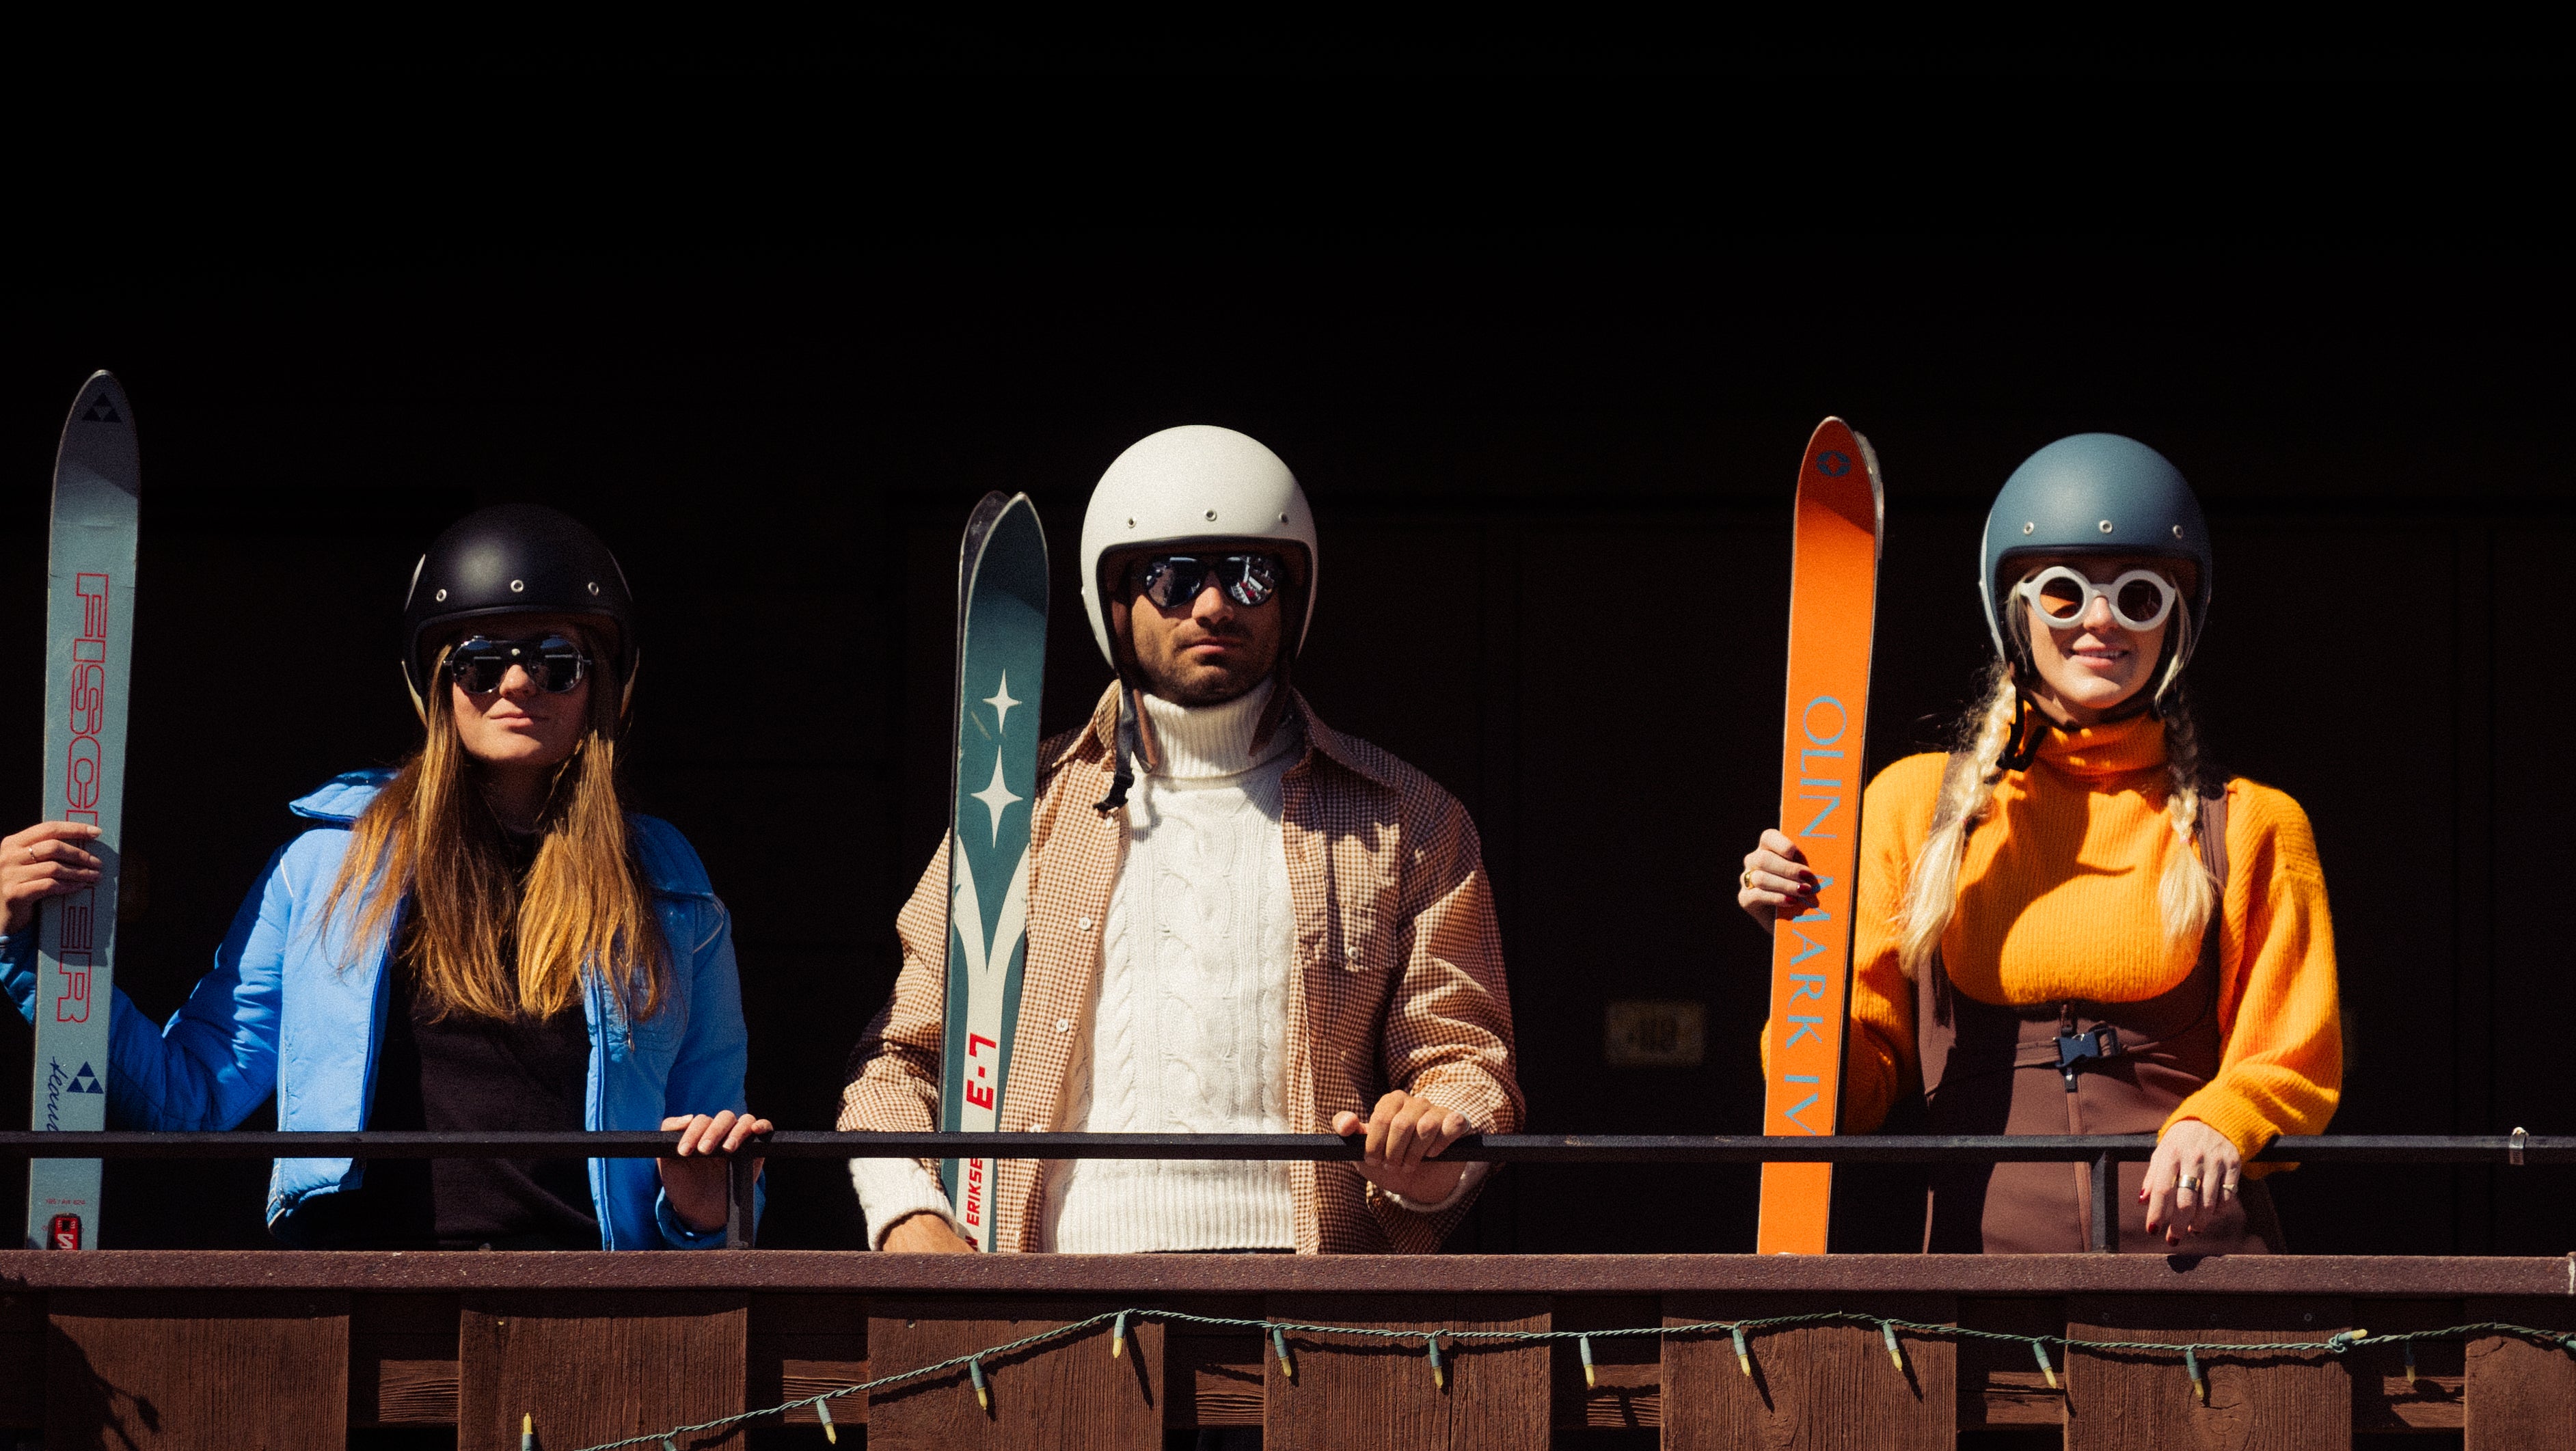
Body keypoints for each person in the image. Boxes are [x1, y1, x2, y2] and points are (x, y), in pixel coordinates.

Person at [2, 504, 766, 1247]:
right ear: (436, 682)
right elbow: (189, 1096)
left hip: (590, 1303)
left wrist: (704, 1208)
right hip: (364, 1293)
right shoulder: (327, 868)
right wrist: (29, 949)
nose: (516, 684)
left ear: (603, 684)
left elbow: (724, 1172)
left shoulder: (672, 895)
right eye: (479, 662)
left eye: (555, 662)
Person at [841, 423, 1521, 1253]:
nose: (1213, 605)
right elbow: (901, 1061)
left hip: (1307, 1295)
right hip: (1053, 1287)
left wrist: (1431, 1151)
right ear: (1114, 602)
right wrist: (908, 1216)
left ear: (1293, 595)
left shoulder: (1404, 818)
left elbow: (1465, 1066)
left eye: (1249, 573)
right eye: (1171, 577)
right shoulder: (1015, 813)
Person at [1740, 432, 2342, 1251]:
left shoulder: (2247, 822)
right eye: (2062, 592)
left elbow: (2292, 1058)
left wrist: (2223, 1120)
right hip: (1985, 1274)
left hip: (2196, 1271)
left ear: (2177, 621)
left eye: (2139, 596)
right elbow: (1852, 1096)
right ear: (2013, 613)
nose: (2100, 620)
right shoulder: (1916, 809)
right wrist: (1800, 969)